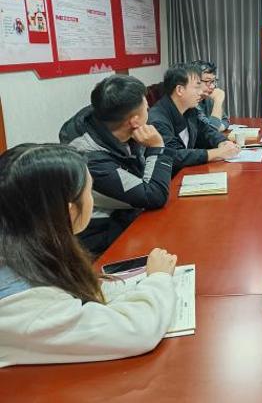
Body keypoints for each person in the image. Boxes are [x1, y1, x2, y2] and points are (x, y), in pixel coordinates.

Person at [0, 144, 178, 367]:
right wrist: (158, 279)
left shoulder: (24, 245)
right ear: (69, 211)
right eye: (90, 191)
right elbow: (135, 331)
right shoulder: (23, 302)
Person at [59, 75, 175, 257]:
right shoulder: (90, 159)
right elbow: (154, 196)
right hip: (102, 240)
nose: (149, 110)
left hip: (129, 216)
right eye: (146, 108)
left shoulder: (114, 120)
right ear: (134, 120)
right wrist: (157, 148)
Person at [149, 63, 240, 173]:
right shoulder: (158, 119)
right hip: (170, 178)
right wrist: (216, 153)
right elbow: (173, 156)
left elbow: (206, 131)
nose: (201, 92)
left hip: (186, 172)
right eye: (197, 87)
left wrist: (222, 142)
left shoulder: (189, 109)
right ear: (180, 90)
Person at [192, 60, 231, 131]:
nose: (213, 86)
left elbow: (225, 120)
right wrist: (218, 100)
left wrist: (216, 127)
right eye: (208, 81)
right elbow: (210, 130)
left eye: (213, 81)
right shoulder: (190, 103)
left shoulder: (207, 97)